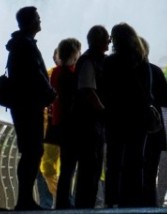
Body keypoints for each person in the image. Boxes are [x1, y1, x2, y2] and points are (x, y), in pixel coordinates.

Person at [5, 6, 56, 210]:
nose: (40, 20)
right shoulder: (26, 46)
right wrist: (50, 93)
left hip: (23, 106)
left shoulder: (20, 45)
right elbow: (35, 75)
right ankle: (24, 200)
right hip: (29, 106)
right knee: (32, 151)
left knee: (31, 151)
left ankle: (25, 199)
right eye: (37, 18)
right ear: (29, 22)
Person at [101, 23, 150, 207]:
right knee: (136, 161)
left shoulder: (110, 62)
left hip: (115, 118)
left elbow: (104, 91)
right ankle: (134, 200)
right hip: (138, 119)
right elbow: (147, 93)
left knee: (113, 162)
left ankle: (111, 201)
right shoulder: (142, 61)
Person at [72, 25, 109, 208]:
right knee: (90, 165)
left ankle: (86, 204)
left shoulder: (90, 60)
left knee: (93, 166)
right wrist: (104, 111)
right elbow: (87, 90)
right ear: (99, 41)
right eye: (107, 38)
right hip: (89, 123)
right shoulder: (89, 61)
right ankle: (84, 206)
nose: (109, 42)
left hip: (92, 122)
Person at [141, 37, 167, 207]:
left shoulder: (123, 71)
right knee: (150, 175)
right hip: (154, 131)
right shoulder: (155, 71)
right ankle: (151, 208)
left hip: (130, 132)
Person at [51, 38, 82, 209]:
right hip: (72, 125)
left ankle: (62, 201)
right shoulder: (70, 74)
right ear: (73, 53)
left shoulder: (56, 72)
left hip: (60, 123)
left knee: (66, 166)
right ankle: (65, 201)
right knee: (70, 165)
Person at [38, 48, 62, 208]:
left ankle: (49, 204)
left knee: (45, 168)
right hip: (54, 130)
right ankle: (65, 200)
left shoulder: (48, 75)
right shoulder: (75, 76)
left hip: (48, 131)